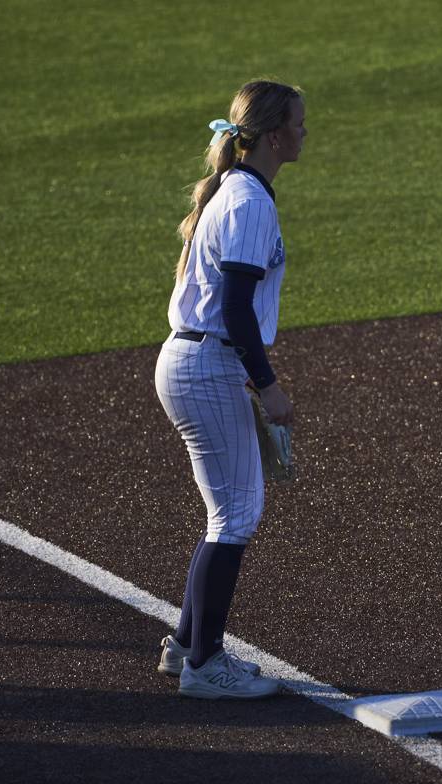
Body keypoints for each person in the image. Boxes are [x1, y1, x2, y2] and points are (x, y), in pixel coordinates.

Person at [154, 80, 307, 696]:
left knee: (228, 513)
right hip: (208, 364)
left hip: (199, 361)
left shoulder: (238, 190)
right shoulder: (248, 202)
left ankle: (187, 648)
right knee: (236, 515)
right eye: (297, 123)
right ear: (273, 136)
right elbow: (237, 309)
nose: (304, 132)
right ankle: (205, 666)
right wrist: (268, 387)